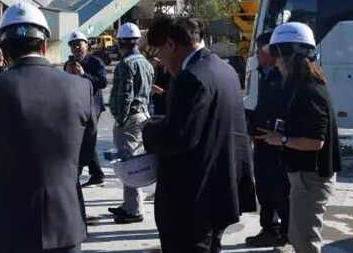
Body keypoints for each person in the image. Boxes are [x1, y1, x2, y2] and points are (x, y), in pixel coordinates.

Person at [0, 2, 96, 252]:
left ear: (4, 50)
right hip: (64, 225)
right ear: (44, 46)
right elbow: (86, 154)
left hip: (10, 228)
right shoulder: (81, 87)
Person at [143, 15, 255, 252]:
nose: (158, 59)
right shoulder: (225, 69)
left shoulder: (190, 77)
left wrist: (148, 129)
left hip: (192, 198)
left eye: (158, 50)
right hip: (221, 190)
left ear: (171, 44)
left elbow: (179, 138)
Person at [256, 22, 341, 253]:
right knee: (297, 234)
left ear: (291, 56)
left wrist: (281, 140)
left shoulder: (309, 92)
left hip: (310, 176)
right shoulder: (301, 86)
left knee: (304, 239)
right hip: (304, 174)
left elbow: (315, 141)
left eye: (278, 56)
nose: (275, 62)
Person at [245, 31, 291, 248]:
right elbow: (262, 107)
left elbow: (279, 110)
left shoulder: (283, 77)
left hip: (276, 142)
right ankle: (269, 229)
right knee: (263, 187)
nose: (256, 55)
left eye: (260, 50)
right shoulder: (265, 73)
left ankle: (286, 234)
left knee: (280, 189)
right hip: (262, 139)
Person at [107, 22, 154, 224]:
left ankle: (134, 209)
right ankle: (129, 204)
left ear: (120, 42)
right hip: (143, 114)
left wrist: (120, 118)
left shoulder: (126, 64)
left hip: (130, 118)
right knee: (134, 161)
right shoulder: (146, 62)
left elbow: (125, 94)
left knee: (128, 164)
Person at [64, 31, 108, 188]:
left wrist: (84, 74)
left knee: (86, 140)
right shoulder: (69, 64)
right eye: (73, 45)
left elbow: (102, 82)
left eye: (79, 44)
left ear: (86, 45)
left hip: (92, 107)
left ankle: (78, 174)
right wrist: (67, 74)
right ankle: (96, 174)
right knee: (86, 140)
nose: (76, 48)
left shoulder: (95, 62)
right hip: (76, 107)